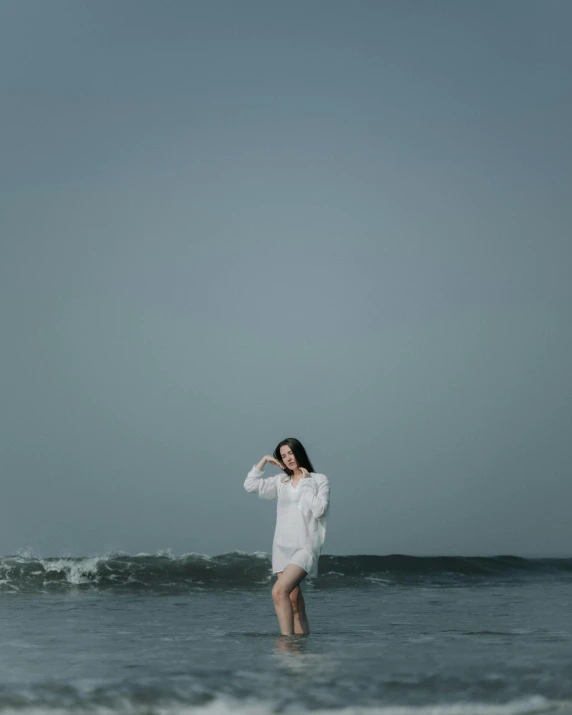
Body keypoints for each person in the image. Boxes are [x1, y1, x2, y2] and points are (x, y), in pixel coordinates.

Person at [243, 437, 330, 636]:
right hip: (282, 548)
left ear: (299, 452)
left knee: (278, 591)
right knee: (293, 601)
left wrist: (306, 483)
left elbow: (319, 510)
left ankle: (286, 643)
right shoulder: (281, 482)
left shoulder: (318, 480)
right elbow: (250, 485)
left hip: (305, 547)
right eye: (283, 456)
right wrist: (264, 460)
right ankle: (301, 647)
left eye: (290, 453)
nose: (288, 458)